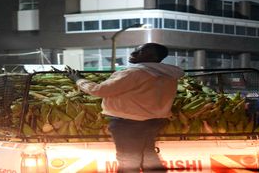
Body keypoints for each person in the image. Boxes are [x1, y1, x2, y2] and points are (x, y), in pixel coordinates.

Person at [64, 43, 184, 172]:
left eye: (140, 51)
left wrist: (78, 79)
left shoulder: (134, 73)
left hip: (128, 123)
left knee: (128, 160)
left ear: (153, 56)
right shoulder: (169, 75)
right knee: (148, 155)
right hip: (155, 121)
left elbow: (99, 90)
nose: (134, 53)